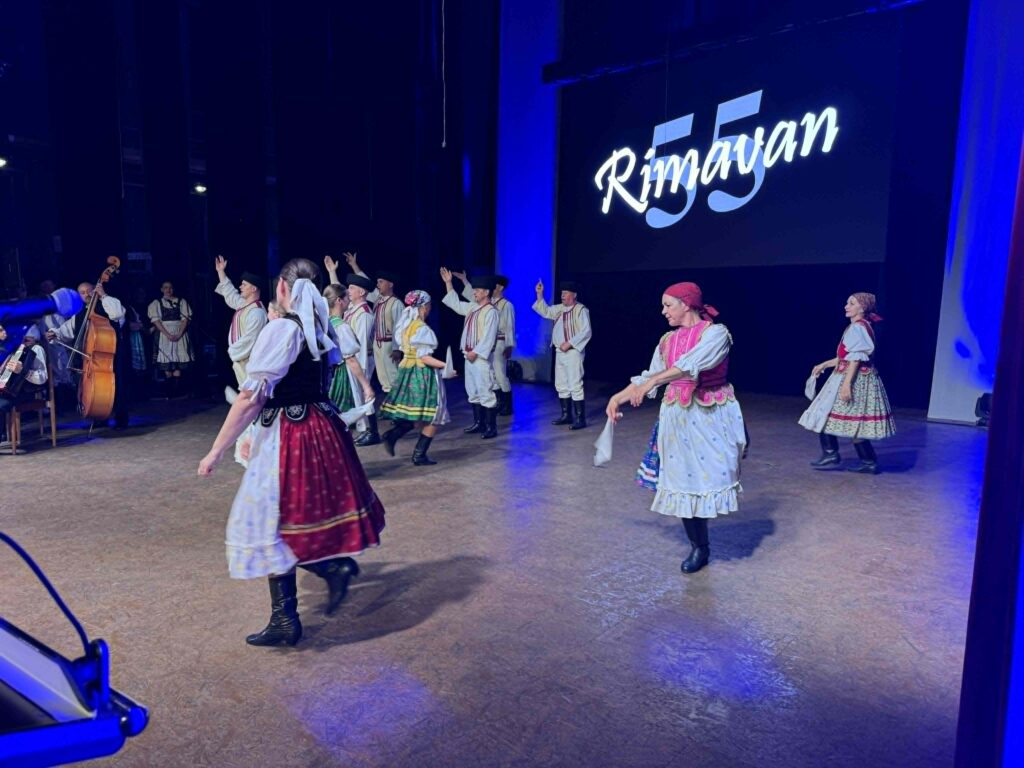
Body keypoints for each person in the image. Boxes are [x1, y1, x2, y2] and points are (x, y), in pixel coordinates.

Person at [198, 258, 386, 647]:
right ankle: (295, 606)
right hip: (319, 428)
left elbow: (250, 398)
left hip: (291, 433)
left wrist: (216, 449)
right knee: (284, 518)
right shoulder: (321, 327)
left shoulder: (283, 329)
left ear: (282, 288)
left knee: (270, 518)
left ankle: (313, 587)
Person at [605, 282, 746, 574]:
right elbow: (650, 375)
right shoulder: (667, 340)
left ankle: (701, 540)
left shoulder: (715, 334)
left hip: (709, 414)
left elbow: (690, 364)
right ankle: (699, 546)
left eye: (668, 305)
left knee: (713, 474)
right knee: (683, 480)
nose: (663, 311)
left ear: (687, 304)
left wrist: (653, 382)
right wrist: (617, 398)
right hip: (677, 416)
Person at [799, 292, 896, 473]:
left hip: (855, 379)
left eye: (851, 303)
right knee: (854, 421)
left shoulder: (858, 328)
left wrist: (847, 384)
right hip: (854, 376)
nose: (846, 306)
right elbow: (847, 357)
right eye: (847, 303)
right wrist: (824, 365)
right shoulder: (860, 327)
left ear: (862, 308)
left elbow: (856, 359)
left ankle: (832, 453)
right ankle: (868, 461)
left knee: (826, 413)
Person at [380, 290, 450, 464]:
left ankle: (394, 434)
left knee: (419, 414)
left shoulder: (407, 327)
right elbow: (424, 357)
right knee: (434, 415)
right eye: (429, 305)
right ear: (424, 307)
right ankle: (419, 455)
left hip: (408, 373)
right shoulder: (421, 329)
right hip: (422, 374)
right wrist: (446, 366)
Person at [47, 281, 130, 427]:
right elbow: (67, 330)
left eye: (89, 291)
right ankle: (99, 416)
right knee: (93, 388)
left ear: (95, 291)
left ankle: (121, 417)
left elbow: (118, 314)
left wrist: (104, 295)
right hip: (90, 358)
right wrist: (55, 333)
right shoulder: (80, 314)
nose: (87, 295)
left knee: (117, 386)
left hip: (111, 355)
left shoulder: (106, 305)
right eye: (83, 293)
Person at [328, 253, 404, 403]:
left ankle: (397, 409)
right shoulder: (373, 301)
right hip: (374, 347)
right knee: (382, 380)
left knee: (390, 377)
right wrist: (335, 271)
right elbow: (342, 294)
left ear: (390, 284)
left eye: (381, 282)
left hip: (383, 346)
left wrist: (397, 348)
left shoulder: (393, 304)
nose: (378, 285)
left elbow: (398, 326)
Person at [440, 268, 500, 439]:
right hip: (469, 355)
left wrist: (477, 352)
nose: (474, 293)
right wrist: (449, 283)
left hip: (480, 357)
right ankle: (479, 423)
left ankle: (491, 427)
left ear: (486, 292)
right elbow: (456, 304)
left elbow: (489, 336)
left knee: (485, 389)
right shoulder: (473, 307)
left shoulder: (491, 311)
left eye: (477, 290)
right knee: (472, 390)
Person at [454, 271, 516, 416]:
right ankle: (497, 404)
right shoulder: (485, 304)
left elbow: (509, 326)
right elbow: (472, 295)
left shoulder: (506, 305)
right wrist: (464, 281)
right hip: (485, 344)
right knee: (490, 376)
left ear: (500, 287)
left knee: (499, 373)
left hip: (499, 342)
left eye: (495, 285)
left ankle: (506, 405)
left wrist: (509, 345)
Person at [533, 279, 592, 429]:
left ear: (574, 295)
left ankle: (580, 418)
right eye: (562, 293)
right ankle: (566, 415)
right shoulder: (559, 309)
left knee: (575, 384)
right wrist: (539, 294)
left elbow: (586, 331)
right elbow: (546, 311)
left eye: (565, 293)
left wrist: (570, 343)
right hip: (559, 352)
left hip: (573, 352)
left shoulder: (581, 310)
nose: (562, 296)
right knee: (561, 384)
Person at [214, 256, 268, 387]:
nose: (240, 287)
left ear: (253, 289)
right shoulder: (244, 304)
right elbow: (230, 294)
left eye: (244, 285)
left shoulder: (257, 312)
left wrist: (233, 351)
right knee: (247, 394)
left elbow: (250, 339)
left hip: (250, 362)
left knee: (253, 394)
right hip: (241, 360)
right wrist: (221, 271)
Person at [322, 284, 375, 416]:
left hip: (328, 372)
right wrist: (366, 386)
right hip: (342, 375)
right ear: (339, 301)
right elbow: (350, 359)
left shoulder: (326, 322)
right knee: (345, 414)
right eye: (347, 297)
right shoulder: (341, 327)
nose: (349, 300)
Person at [0, 328, 48, 447]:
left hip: (23, 392)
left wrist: (23, 371)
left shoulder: (36, 349)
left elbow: (42, 377)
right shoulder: (10, 349)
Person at [148, 281, 193, 398]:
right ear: (162, 289)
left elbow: (185, 319)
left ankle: (177, 391)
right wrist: (167, 334)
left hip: (179, 332)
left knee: (178, 363)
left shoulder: (181, 302)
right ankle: (170, 392)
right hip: (164, 334)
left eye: (170, 288)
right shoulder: (157, 303)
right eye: (166, 288)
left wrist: (179, 334)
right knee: (167, 364)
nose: (168, 290)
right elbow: (156, 321)